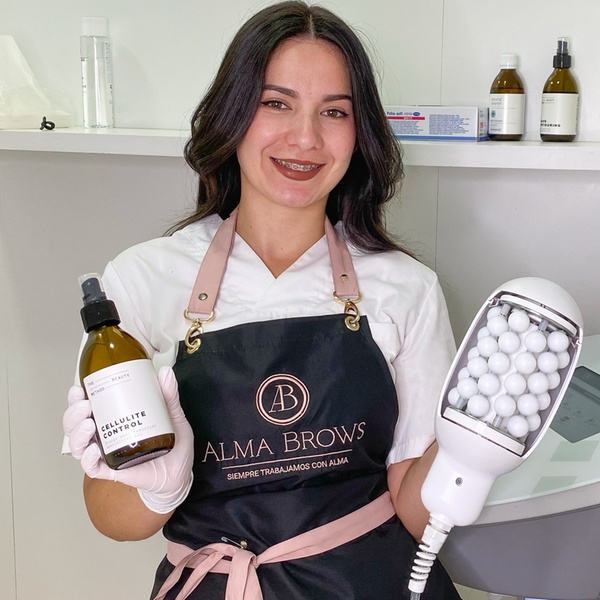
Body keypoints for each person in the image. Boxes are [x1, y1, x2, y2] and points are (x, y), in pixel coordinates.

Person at [62, 2, 461, 598]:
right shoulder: (144, 281)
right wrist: (158, 490)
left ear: (360, 133)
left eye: (334, 111)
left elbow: (416, 510)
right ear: (233, 114)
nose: (306, 138)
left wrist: (470, 448)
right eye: (276, 103)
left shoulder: (406, 288)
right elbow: (108, 514)